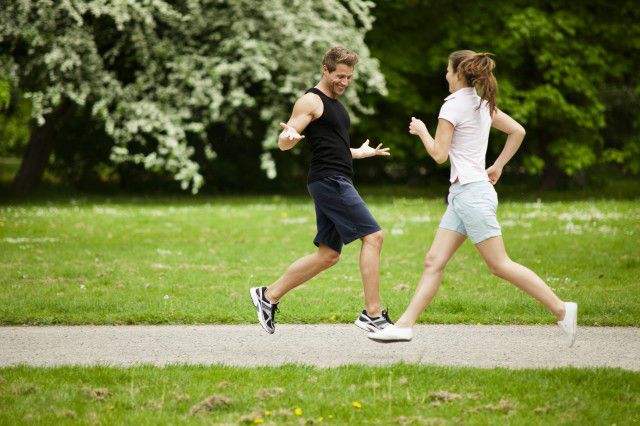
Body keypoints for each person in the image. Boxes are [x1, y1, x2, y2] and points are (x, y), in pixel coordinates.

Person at [367, 50, 578, 346]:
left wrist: (422, 131)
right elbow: (517, 131)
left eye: (447, 70)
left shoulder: (452, 106)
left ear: (457, 73)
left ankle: (562, 309)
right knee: (433, 261)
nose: (445, 75)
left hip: (472, 196)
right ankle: (404, 326)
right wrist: (498, 165)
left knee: (499, 264)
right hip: (465, 194)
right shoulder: (481, 103)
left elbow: (439, 155)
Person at [250, 46, 393, 334]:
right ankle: (373, 314)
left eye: (349, 77)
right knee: (374, 237)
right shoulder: (311, 101)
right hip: (330, 181)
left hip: (333, 178)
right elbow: (285, 140)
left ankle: (268, 296)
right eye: (339, 76)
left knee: (328, 255)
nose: (344, 82)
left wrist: (358, 153)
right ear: (325, 70)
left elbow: (332, 148)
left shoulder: (335, 105)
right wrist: (289, 137)